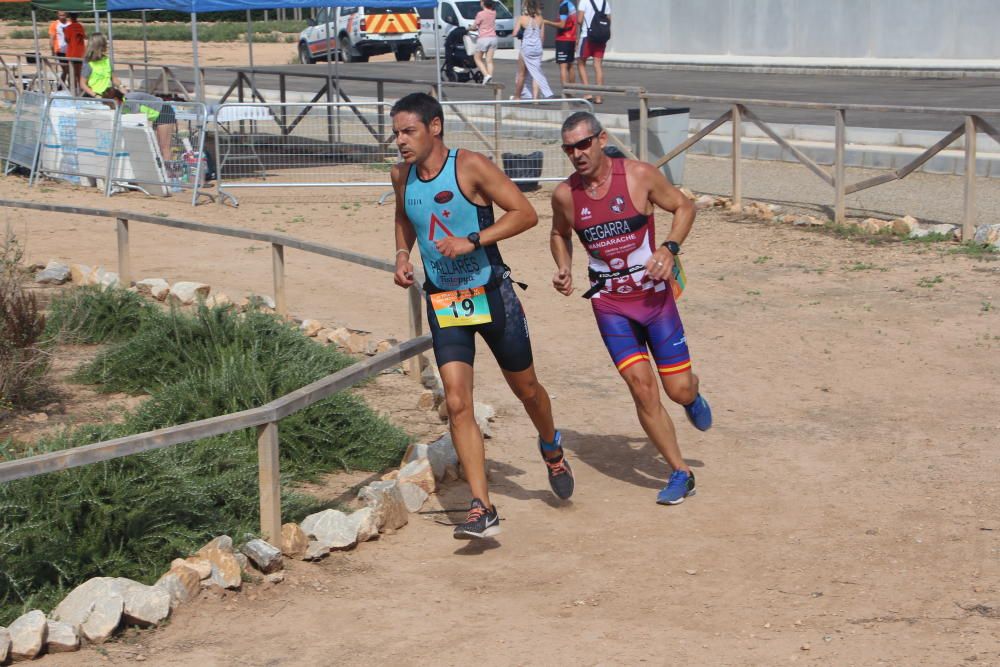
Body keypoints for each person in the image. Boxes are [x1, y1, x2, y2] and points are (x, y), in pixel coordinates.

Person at [390, 92, 573, 539]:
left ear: (435, 127)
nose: (400, 141)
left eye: (408, 131)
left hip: (492, 296)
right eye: (395, 132)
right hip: (444, 301)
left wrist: (474, 239)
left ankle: (551, 446)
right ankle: (481, 506)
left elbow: (525, 213)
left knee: (527, 389)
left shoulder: (470, 166)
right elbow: (404, 217)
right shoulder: (401, 175)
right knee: (456, 401)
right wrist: (401, 252)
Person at [549, 111, 713, 506]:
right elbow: (558, 233)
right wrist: (564, 266)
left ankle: (692, 397)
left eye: (583, 144)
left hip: (655, 300)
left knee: (677, 388)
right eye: (569, 148)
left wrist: (669, 248)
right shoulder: (565, 195)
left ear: (602, 139)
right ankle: (680, 472)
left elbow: (684, 207)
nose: (577, 154)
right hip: (610, 305)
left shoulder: (638, 175)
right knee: (642, 389)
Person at [515, 0, 553, 100]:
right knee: (536, 72)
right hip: (537, 48)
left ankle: (517, 96)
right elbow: (542, 37)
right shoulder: (541, 19)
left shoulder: (522, 18)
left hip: (527, 47)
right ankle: (535, 98)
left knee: (521, 74)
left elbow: (514, 33)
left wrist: (521, 33)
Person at [576, 0, 611, 104]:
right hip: (601, 37)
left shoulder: (584, 1)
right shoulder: (605, 2)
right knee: (598, 65)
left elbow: (579, 20)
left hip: (587, 35)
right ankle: (599, 97)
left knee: (581, 63)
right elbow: (608, 19)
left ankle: (587, 94)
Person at [544, 0, 577, 88]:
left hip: (563, 39)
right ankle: (572, 92)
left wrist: (547, 22)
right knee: (570, 65)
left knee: (563, 66)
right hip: (571, 39)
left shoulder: (564, 6)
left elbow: (562, 25)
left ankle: (566, 93)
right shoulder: (570, 4)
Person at [471, 0, 497, 85]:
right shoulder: (494, 13)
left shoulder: (480, 14)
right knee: (489, 60)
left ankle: (486, 75)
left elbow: (474, 26)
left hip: (483, 38)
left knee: (477, 58)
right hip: (493, 38)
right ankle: (490, 77)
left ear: (483, 3)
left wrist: (469, 28)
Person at [62, 14, 86, 94]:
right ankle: (82, 91)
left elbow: (67, 40)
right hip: (80, 53)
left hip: (72, 54)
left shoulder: (68, 28)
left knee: (71, 75)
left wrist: (64, 32)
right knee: (80, 75)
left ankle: (73, 92)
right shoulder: (80, 27)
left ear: (70, 18)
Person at [48, 11, 69, 87]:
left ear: (66, 15)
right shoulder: (54, 24)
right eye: (60, 15)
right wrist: (52, 50)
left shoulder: (69, 23)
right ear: (58, 15)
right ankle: (62, 86)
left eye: (63, 15)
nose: (62, 17)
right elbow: (51, 38)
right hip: (60, 50)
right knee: (66, 69)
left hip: (70, 50)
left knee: (69, 70)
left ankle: (64, 86)